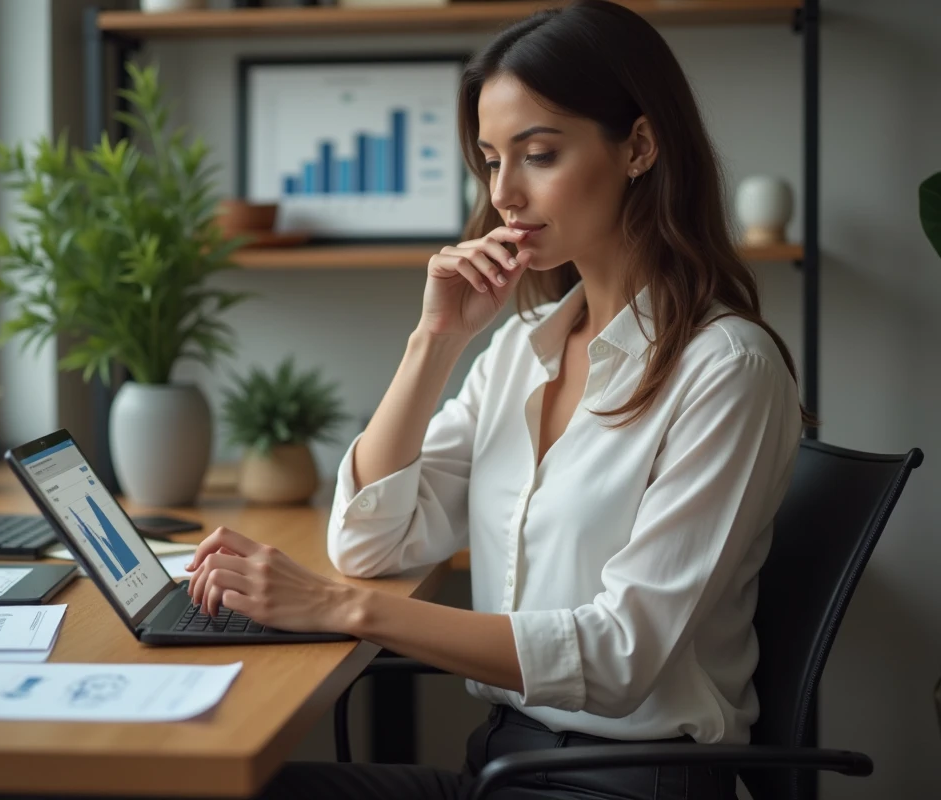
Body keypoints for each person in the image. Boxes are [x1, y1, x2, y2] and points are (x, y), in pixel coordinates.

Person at [184, 1, 806, 797]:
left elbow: (619, 657)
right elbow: (371, 542)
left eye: (538, 154)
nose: (505, 192)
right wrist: (435, 341)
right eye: (488, 160)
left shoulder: (727, 369)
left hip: (622, 783)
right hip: (508, 763)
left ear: (640, 146)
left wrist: (340, 609)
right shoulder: (522, 348)